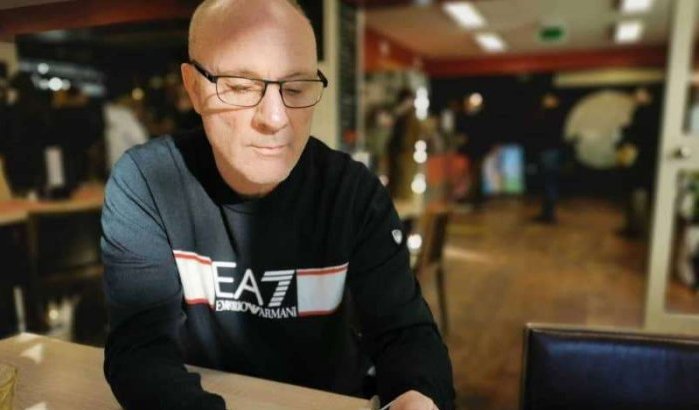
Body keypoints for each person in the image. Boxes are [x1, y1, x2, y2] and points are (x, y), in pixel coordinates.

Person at [101, 1, 455, 409]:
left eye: (297, 88)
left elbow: (405, 332)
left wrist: (418, 394)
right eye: (240, 86)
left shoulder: (352, 193)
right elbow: (140, 348)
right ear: (194, 88)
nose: (275, 118)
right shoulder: (148, 183)